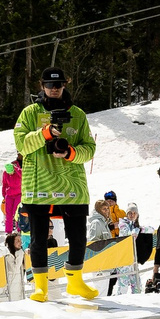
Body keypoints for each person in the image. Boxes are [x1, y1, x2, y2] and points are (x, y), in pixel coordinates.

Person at [12, 67, 100, 302]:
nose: (54, 89)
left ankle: (75, 282)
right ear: (42, 86)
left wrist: (71, 152)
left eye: (59, 84)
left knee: (78, 237)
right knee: (39, 238)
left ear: (65, 85)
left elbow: (89, 149)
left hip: (71, 185)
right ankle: (40, 287)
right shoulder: (29, 113)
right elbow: (21, 145)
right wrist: (45, 134)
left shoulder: (78, 115)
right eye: (50, 85)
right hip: (38, 183)